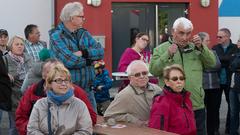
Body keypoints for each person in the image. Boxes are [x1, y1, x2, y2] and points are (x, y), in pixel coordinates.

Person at [149, 17, 216, 135]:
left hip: (196, 103)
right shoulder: (161, 49)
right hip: (171, 106)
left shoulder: (196, 48)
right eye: (181, 33)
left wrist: (202, 48)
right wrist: (168, 54)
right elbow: (154, 70)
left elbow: (212, 63)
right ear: (172, 31)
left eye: (188, 33)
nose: (185, 37)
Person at [49, 1, 104, 112]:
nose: (84, 19)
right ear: (71, 18)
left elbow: (100, 51)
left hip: (88, 90)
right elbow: (70, 61)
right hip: (67, 91)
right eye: (81, 16)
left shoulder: (84, 33)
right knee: (70, 126)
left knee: (91, 123)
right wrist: (89, 61)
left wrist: (83, 53)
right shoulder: (57, 36)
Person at [16, 60, 96, 135]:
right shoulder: (37, 98)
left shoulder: (78, 98)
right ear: (46, 77)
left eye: (66, 79)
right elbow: (23, 120)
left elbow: (88, 124)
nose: (63, 84)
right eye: (58, 79)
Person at [104, 60, 162, 126]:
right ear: (129, 78)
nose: (142, 76)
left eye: (144, 73)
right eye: (137, 75)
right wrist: (134, 120)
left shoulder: (157, 89)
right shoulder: (125, 94)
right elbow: (108, 116)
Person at [149, 64, 196, 135]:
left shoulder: (186, 99)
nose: (179, 81)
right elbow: (157, 131)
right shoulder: (161, 103)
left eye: (181, 78)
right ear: (167, 82)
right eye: (175, 79)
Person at [3, 36, 32, 135]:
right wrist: (6, 75)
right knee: (14, 126)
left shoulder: (28, 58)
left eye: (21, 44)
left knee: (28, 126)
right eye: (17, 44)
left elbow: (33, 74)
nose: (20, 46)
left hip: (28, 98)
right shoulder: (5, 59)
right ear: (11, 46)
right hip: (13, 97)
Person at [212, 28, 240, 134]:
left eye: (220, 37)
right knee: (215, 106)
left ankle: (229, 128)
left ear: (228, 37)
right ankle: (215, 129)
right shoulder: (215, 47)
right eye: (217, 36)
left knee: (232, 107)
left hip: (231, 82)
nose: (218, 38)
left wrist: (221, 59)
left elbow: (234, 63)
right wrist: (228, 60)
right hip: (217, 81)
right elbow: (214, 62)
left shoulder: (235, 48)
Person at [198, 32, 221, 135]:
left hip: (215, 87)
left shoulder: (213, 52)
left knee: (214, 111)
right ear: (201, 41)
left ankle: (213, 131)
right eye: (207, 40)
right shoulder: (196, 53)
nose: (209, 42)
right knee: (202, 112)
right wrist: (208, 66)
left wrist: (206, 67)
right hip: (203, 87)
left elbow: (217, 65)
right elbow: (200, 67)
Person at [229, 52, 240, 135]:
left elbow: (234, 65)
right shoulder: (236, 54)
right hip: (233, 87)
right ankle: (233, 132)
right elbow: (231, 67)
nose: (238, 43)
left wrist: (235, 67)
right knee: (233, 112)